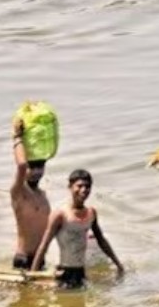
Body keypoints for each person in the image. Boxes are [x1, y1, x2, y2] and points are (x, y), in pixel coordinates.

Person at [31, 169, 125, 288]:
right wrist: (32, 274)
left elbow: (101, 240)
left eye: (87, 186)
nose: (84, 190)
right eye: (79, 186)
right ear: (70, 187)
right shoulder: (60, 215)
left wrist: (118, 264)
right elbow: (44, 245)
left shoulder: (91, 213)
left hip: (81, 272)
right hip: (63, 273)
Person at [10, 117, 51, 270]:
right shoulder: (19, 192)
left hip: (40, 259)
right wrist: (17, 137)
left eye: (39, 167)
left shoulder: (43, 195)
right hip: (23, 259)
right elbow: (21, 165)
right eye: (32, 168)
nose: (36, 172)